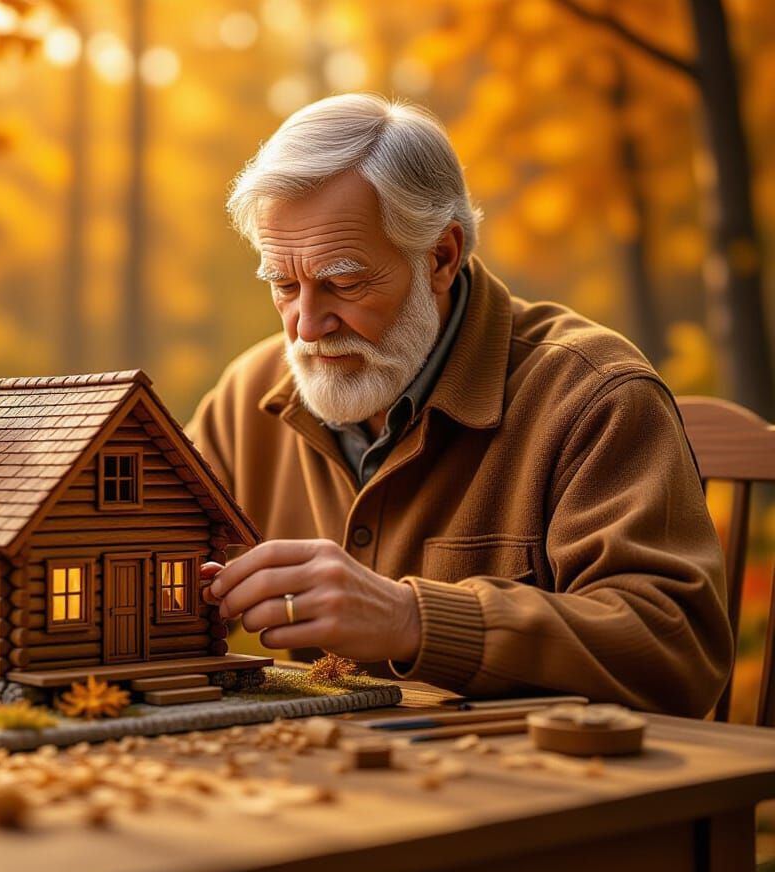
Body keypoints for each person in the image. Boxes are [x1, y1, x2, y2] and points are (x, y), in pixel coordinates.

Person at [186, 93, 732, 717]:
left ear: (441, 257)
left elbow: (675, 651)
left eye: (343, 282)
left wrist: (413, 620)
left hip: (539, 797)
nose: (305, 327)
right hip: (310, 790)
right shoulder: (243, 396)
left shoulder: (593, 396)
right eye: (285, 285)